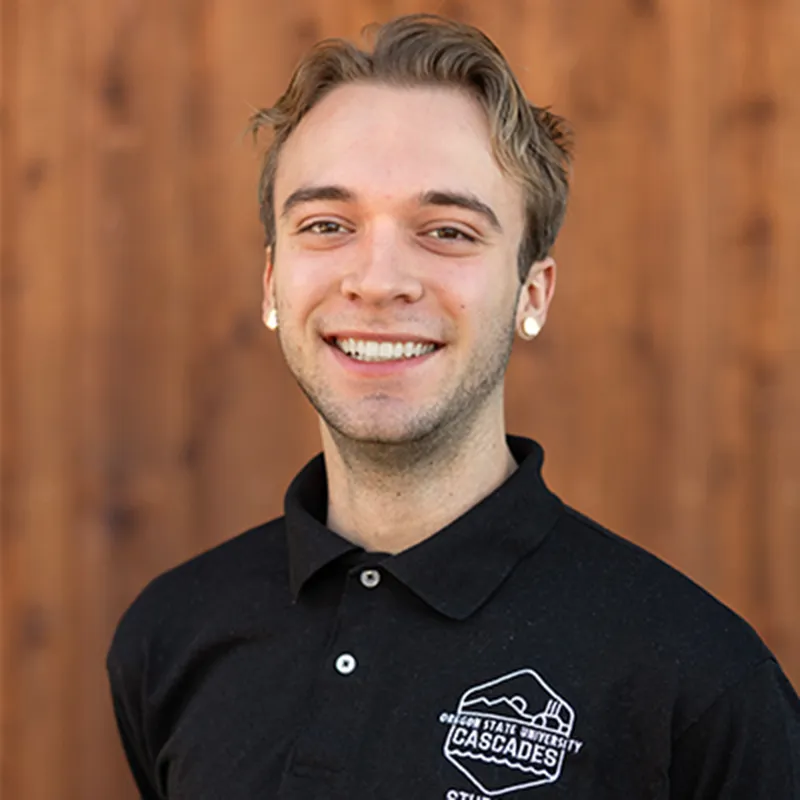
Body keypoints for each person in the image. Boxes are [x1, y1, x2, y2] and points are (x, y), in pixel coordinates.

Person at [106, 14, 800, 799]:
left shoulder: (700, 686)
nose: (378, 280)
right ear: (272, 283)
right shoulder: (169, 637)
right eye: (327, 225)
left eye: (446, 231)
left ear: (531, 293)